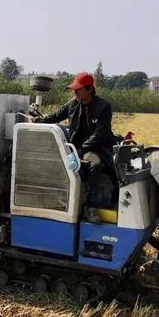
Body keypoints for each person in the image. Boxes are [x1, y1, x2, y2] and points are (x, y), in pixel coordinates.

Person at [34, 72, 116, 219]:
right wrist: (39, 121)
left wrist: (80, 150)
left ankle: (90, 206)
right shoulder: (72, 104)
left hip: (95, 148)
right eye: (74, 89)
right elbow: (56, 117)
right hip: (74, 148)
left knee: (95, 164)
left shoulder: (103, 107)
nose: (75, 92)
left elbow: (100, 134)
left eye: (78, 89)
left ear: (89, 89)